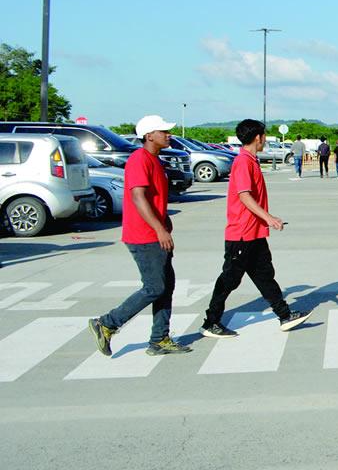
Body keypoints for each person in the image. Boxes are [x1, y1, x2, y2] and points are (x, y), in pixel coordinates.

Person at [88, 115, 192, 357]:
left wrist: (164, 222)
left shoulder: (155, 160)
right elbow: (138, 197)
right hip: (144, 236)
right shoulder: (139, 160)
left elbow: (154, 199)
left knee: (166, 287)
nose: (169, 134)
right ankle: (106, 323)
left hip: (156, 233)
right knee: (155, 287)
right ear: (148, 135)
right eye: (163, 131)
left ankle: (159, 339)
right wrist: (159, 229)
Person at [200, 119, 312, 339]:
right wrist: (269, 217)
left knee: (264, 275)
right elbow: (244, 195)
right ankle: (211, 322)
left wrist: (264, 221)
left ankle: (284, 315)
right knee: (229, 279)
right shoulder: (243, 161)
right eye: (264, 136)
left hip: (254, 232)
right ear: (258, 137)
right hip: (241, 233)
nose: (264, 139)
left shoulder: (251, 160)